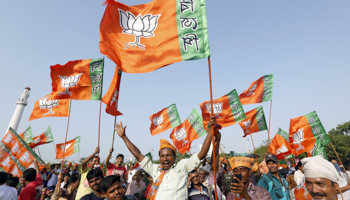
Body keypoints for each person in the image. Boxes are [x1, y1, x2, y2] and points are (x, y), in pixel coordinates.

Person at [115, 116, 218, 200]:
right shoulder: (155, 169)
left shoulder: (181, 167)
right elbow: (138, 154)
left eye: (168, 155)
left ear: (174, 157)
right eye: (162, 156)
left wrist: (210, 132)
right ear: (159, 158)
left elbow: (202, 154)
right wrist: (124, 137)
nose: (165, 159)